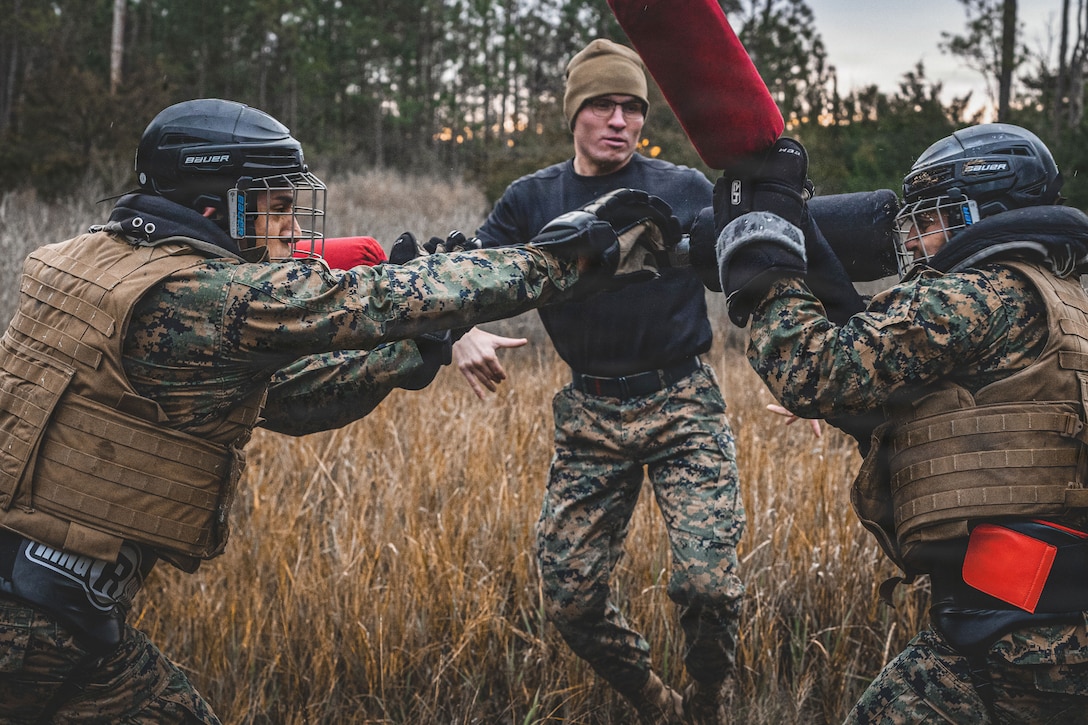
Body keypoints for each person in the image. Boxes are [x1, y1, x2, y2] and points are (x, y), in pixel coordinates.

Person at [0, 97, 676, 723]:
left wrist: (418, 348)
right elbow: (369, 301)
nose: (293, 229)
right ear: (214, 212)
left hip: (49, 616)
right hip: (37, 625)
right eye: (274, 208)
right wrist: (568, 259)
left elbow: (292, 397)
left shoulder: (78, 259)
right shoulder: (197, 299)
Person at [709, 123, 1088, 722]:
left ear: (983, 211)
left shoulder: (977, 294)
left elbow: (810, 368)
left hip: (1016, 632)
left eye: (934, 218)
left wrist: (763, 252)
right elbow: (991, 419)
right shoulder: (1065, 302)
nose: (917, 239)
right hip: (1050, 624)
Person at [452, 38, 743, 724]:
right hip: (592, 415)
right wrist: (459, 331)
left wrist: (802, 379)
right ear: (574, 114)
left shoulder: (683, 189)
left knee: (708, 585)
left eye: (632, 108)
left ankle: (705, 696)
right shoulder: (533, 198)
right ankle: (655, 701)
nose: (619, 120)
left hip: (683, 405)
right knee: (571, 600)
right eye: (602, 106)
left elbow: (753, 273)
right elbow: (460, 277)